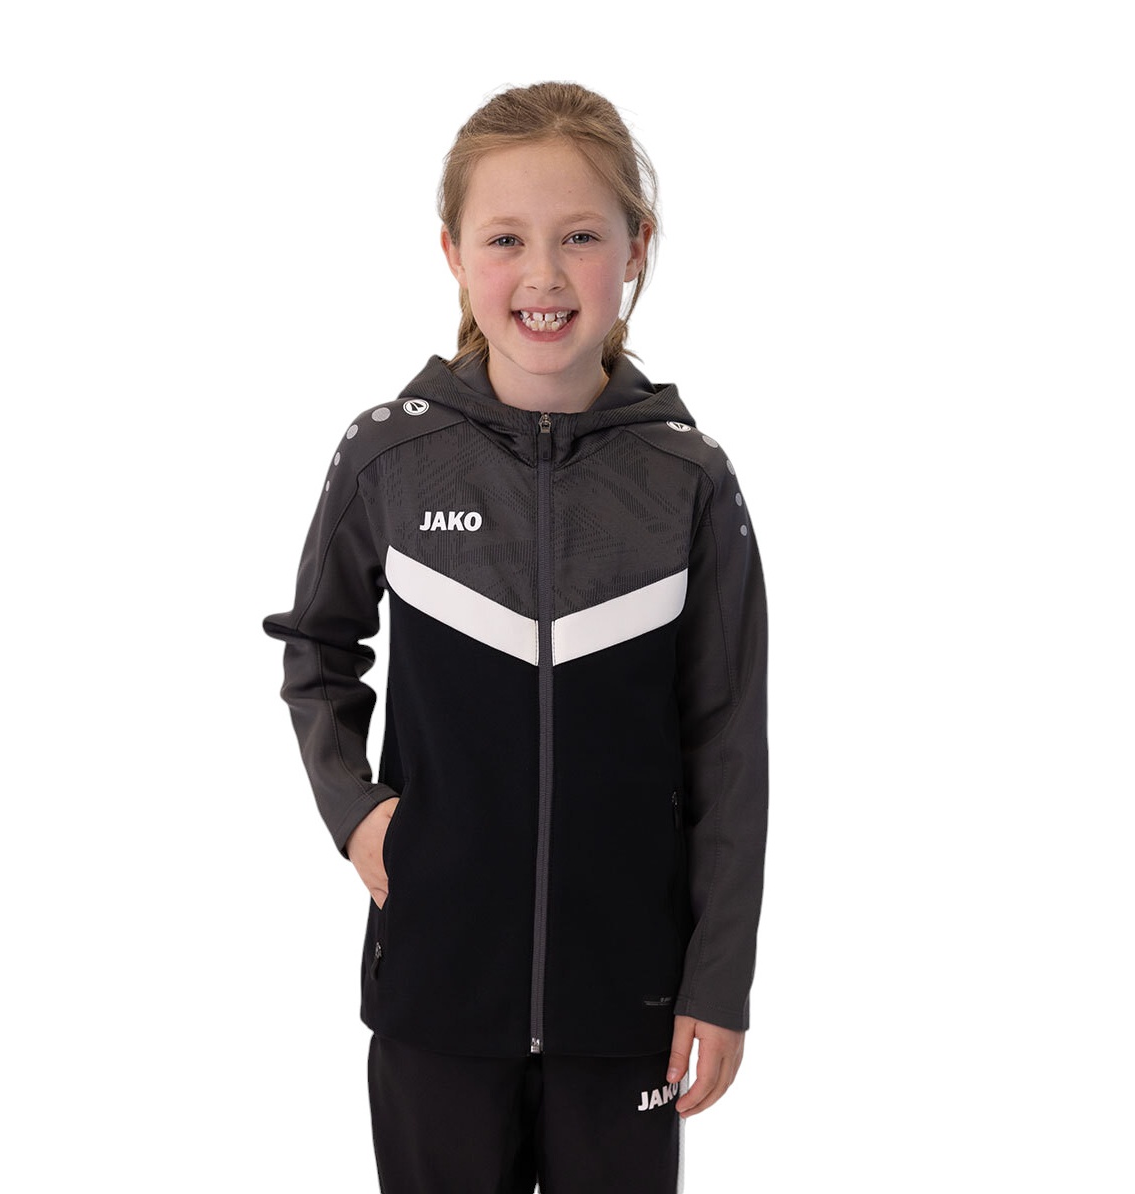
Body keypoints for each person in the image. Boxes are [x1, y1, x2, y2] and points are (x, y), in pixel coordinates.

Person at [263, 80, 768, 1194]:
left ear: (636, 250)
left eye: (579, 236)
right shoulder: (390, 458)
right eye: (505, 239)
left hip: (628, 1001)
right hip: (436, 988)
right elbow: (316, 648)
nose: (542, 274)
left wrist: (717, 981)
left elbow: (730, 747)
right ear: (454, 254)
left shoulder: (688, 481)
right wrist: (357, 813)